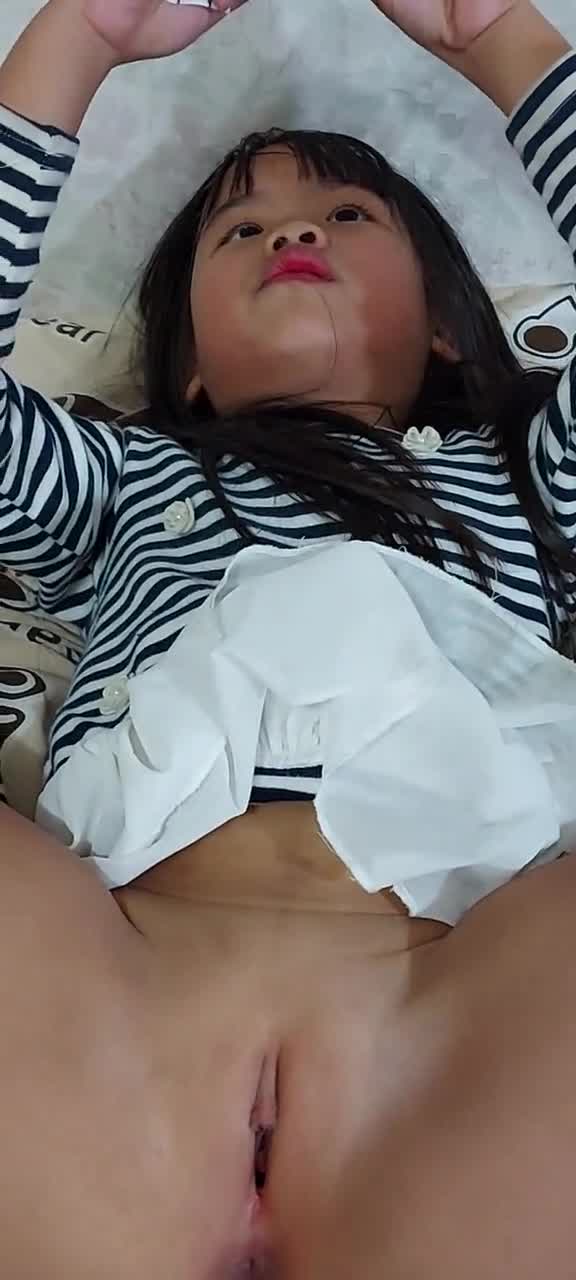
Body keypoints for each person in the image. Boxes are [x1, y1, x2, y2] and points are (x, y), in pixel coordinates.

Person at [2, 0, 576, 1274]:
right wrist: (69, 46)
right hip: (123, 964)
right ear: (191, 369)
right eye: (240, 229)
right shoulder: (121, 480)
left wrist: (505, 41)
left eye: (349, 215)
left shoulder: (523, 476)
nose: (294, 232)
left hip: (456, 997)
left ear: (445, 326)